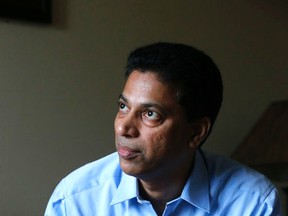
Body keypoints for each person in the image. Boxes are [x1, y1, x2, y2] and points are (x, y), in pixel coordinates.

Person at [45, 42, 281, 215]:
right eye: (123, 106)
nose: (123, 128)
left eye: (150, 114)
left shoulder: (252, 203)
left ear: (196, 132)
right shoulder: (76, 199)